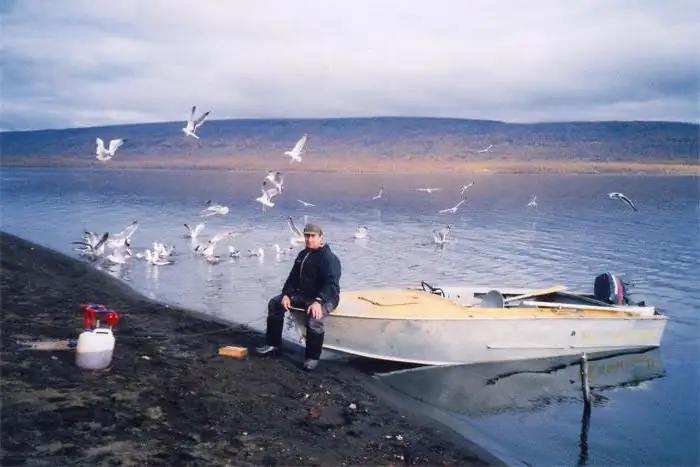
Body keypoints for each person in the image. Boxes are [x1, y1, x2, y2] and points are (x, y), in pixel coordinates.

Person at [255, 222, 341, 371]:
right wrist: (286, 295)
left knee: (314, 318)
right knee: (274, 304)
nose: (309, 239)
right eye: (307, 236)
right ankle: (273, 344)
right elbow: (292, 278)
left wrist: (318, 301)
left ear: (321, 237)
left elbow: (332, 285)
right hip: (302, 295)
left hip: (326, 297)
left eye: (313, 236)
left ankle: (312, 358)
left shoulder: (329, 258)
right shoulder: (303, 254)